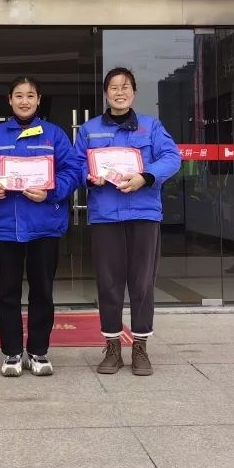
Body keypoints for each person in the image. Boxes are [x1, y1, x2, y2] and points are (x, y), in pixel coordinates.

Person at [0, 76, 80, 377]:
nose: (24, 101)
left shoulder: (54, 135)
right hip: (6, 226)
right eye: (18, 95)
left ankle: (38, 351)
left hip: (45, 225)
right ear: (9, 100)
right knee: (7, 292)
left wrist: (51, 191)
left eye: (30, 95)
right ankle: (12, 352)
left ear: (39, 100)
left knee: (42, 291)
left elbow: (73, 170)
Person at [75, 67, 181, 376]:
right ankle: (112, 347)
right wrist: (90, 177)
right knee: (108, 284)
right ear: (105, 93)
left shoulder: (151, 126)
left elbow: (171, 157)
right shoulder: (90, 130)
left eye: (125, 87)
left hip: (143, 214)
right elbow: (76, 163)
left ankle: (140, 347)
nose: (119, 92)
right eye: (113, 87)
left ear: (133, 92)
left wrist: (145, 177)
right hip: (105, 215)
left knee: (142, 283)